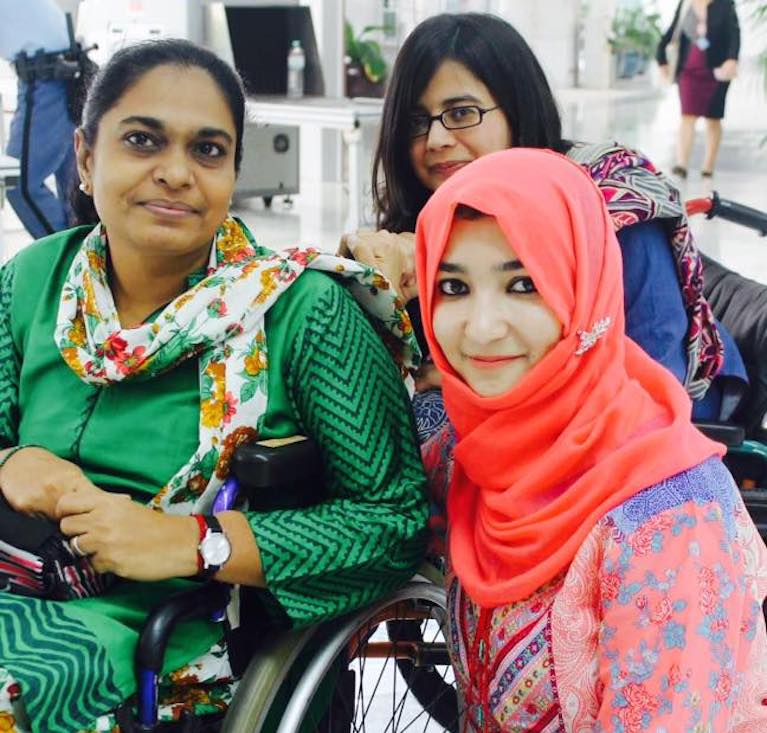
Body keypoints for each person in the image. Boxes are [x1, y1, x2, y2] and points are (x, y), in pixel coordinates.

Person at [0, 39, 428, 732]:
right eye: (142, 140)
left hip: (171, 625)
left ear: (233, 170)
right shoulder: (33, 281)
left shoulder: (302, 310)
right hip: (20, 569)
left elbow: (393, 521)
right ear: (84, 156)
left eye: (206, 150)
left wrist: (196, 542)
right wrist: (15, 462)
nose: (175, 173)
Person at [414, 146, 767, 732]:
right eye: (452, 288)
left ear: (585, 289)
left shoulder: (673, 526)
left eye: (523, 283)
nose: (480, 327)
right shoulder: (473, 450)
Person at [344, 12, 746, 422]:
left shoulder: (613, 202)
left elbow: (656, 380)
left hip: (664, 428)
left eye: (461, 113)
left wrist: (473, 385)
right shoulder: (425, 221)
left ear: (516, 107)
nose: (437, 140)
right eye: (415, 122)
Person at [0, 0, 85, 238]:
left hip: (46, 78)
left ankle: (64, 258)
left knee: (20, 183)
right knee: (74, 189)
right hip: (63, 75)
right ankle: (84, 258)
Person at [657, 0, 740, 179]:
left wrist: (732, 59)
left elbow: (734, 33)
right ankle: (681, 164)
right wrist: (661, 56)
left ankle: (708, 166)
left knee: (713, 119)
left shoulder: (724, 4)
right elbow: (673, 30)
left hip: (716, 70)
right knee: (687, 116)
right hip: (688, 69)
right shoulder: (686, 3)